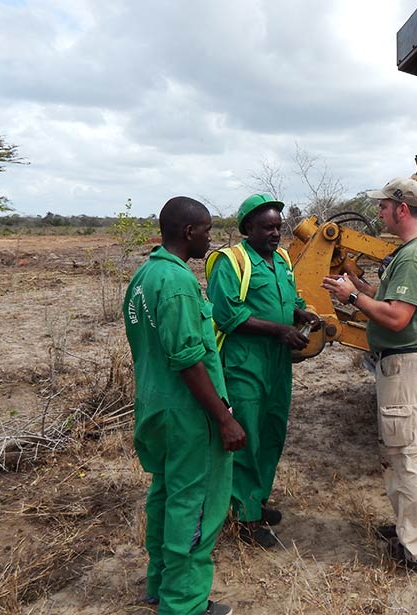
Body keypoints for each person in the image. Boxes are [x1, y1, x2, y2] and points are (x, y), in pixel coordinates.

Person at [123, 196, 245, 615]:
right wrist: (224, 418)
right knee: (195, 506)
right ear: (189, 232)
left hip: (156, 406)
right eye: (208, 230)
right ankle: (185, 604)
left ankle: (160, 582)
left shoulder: (145, 275)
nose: (210, 238)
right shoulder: (175, 283)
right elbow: (188, 360)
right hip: (189, 414)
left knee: (167, 494)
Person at [322, 177, 417, 573]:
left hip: (406, 365)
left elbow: (396, 316)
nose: (378, 213)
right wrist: (356, 283)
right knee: (398, 451)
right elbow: (391, 299)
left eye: (382, 207)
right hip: (404, 364)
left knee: (408, 455)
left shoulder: (414, 256)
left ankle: (416, 551)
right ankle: (408, 528)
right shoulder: (416, 251)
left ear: (402, 210)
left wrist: (353, 298)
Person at [206, 193, 321, 548]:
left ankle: (257, 499)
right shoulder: (231, 262)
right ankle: (245, 518)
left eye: (278, 226)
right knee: (248, 437)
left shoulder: (283, 259)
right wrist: (278, 330)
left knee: (272, 432)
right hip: (245, 363)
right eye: (267, 227)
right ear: (247, 229)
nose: (275, 233)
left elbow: (291, 298)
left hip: (277, 364)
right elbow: (228, 315)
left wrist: (300, 314)